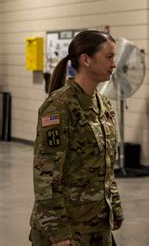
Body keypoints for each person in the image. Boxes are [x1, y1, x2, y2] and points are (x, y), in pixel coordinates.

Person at [29, 30, 124, 246]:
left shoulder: (103, 106)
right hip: (68, 229)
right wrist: (59, 233)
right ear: (86, 59)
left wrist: (114, 208)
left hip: (97, 226)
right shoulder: (59, 107)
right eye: (108, 57)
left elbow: (107, 165)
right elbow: (46, 176)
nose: (114, 63)